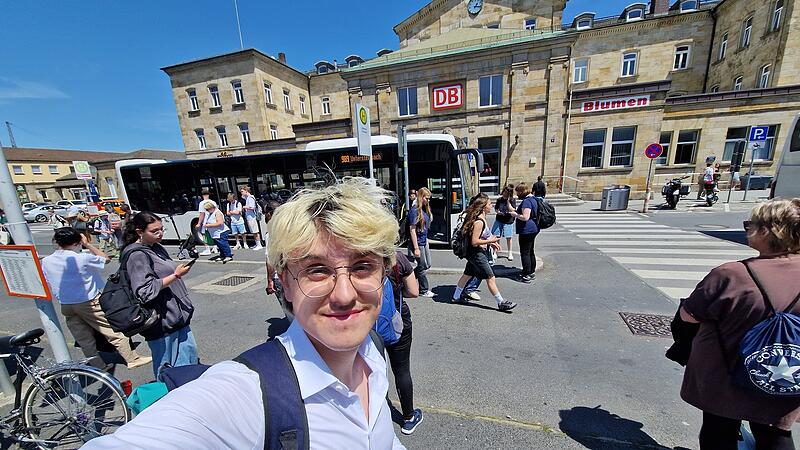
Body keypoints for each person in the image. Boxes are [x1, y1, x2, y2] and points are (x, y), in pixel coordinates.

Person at [85, 178, 406, 449]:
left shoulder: (372, 351)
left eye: (363, 266)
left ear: (384, 276)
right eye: (317, 271)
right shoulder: (247, 391)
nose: (345, 295)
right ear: (286, 285)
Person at [678, 198, 800, 450]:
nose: (747, 229)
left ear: (767, 230)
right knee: (775, 433)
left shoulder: (733, 275)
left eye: (750, 225)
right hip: (786, 374)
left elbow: (688, 316)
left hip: (726, 374)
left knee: (719, 430)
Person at [40, 227, 152, 370]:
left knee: (84, 339)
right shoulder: (81, 257)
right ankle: (132, 359)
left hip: (66, 304)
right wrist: (88, 244)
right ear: (77, 241)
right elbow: (105, 259)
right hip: (88, 302)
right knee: (113, 331)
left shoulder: (47, 261)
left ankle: (97, 366)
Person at [121, 212, 198, 378]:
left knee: (188, 364)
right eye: (154, 231)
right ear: (139, 231)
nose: (160, 233)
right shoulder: (137, 255)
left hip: (177, 318)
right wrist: (175, 275)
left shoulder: (155, 247)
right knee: (168, 370)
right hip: (162, 321)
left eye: (162, 229)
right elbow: (144, 291)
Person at [451, 195, 517, 312]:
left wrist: (491, 242)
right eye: (489, 204)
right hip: (476, 254)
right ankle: (500, 302)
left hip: (474, 253)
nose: (491, 205)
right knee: (490, 277)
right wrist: (491, 241)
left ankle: (456, 297)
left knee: (467, 275)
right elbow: (475, 242)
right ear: (483, 207)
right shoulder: (479, 222)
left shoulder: (481, 218)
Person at [385, 250, 424, 434]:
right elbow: (413, 292)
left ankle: (373, 409)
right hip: (396, 319)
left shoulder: (356, 253)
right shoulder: (396, 257)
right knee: (401, 370)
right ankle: (408, 417)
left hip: (367, 323)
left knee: (369, 367)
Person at [408, 187, 434, 298]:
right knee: (422, 266)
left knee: (426, 265)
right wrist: (416, 248)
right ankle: (423, 289)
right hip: (418, 242)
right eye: (426, 198)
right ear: (421, 197)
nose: (428, 201)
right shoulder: (414, 211)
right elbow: (412, 230)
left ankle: (408, 279)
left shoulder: (424, 209)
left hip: (424, 240)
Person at [513, 182, 539, 284]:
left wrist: (515, 214)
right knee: (530, 251)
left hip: (527, 230)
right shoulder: (534, 199)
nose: (517, 194)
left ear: (522, 191)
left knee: (525, 252)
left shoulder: (527, 201)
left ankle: (526, 274)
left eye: (518, 192)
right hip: (534, 228)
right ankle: (531, 271)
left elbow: (525, 217)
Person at [492, 185, 516, 260]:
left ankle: (510, 253)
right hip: (499, 219)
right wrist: (498, 212)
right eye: (504, 191)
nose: (505, 193)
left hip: (508, 220)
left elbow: (513, 210)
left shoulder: (512, 200)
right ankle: (495, 252)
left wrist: (508, 202)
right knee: (496, 236)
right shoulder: (499, 199)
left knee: (508, 237)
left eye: (507, 192)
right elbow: (496, 208)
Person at [240, 185, 263, 250]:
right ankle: (257, 244)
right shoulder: (248, 198)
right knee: (253, 231)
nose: (241, 193)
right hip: (250, 217)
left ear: (246, 191)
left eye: (242, 191)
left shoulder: (250, 198)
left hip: (252, 217)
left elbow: (252, 207)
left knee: (255, 231)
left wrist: (244, 207)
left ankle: (259, 244)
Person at [195, 189, 217, 256]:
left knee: (204, 235)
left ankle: (207, 249)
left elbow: (202, 214)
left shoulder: (202, 203)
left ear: (202, 195)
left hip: (206, 221)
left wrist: (199, 223)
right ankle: (215, 247)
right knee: (213, 234)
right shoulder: (213, 202)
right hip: (214, 220)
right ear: (208, 194)